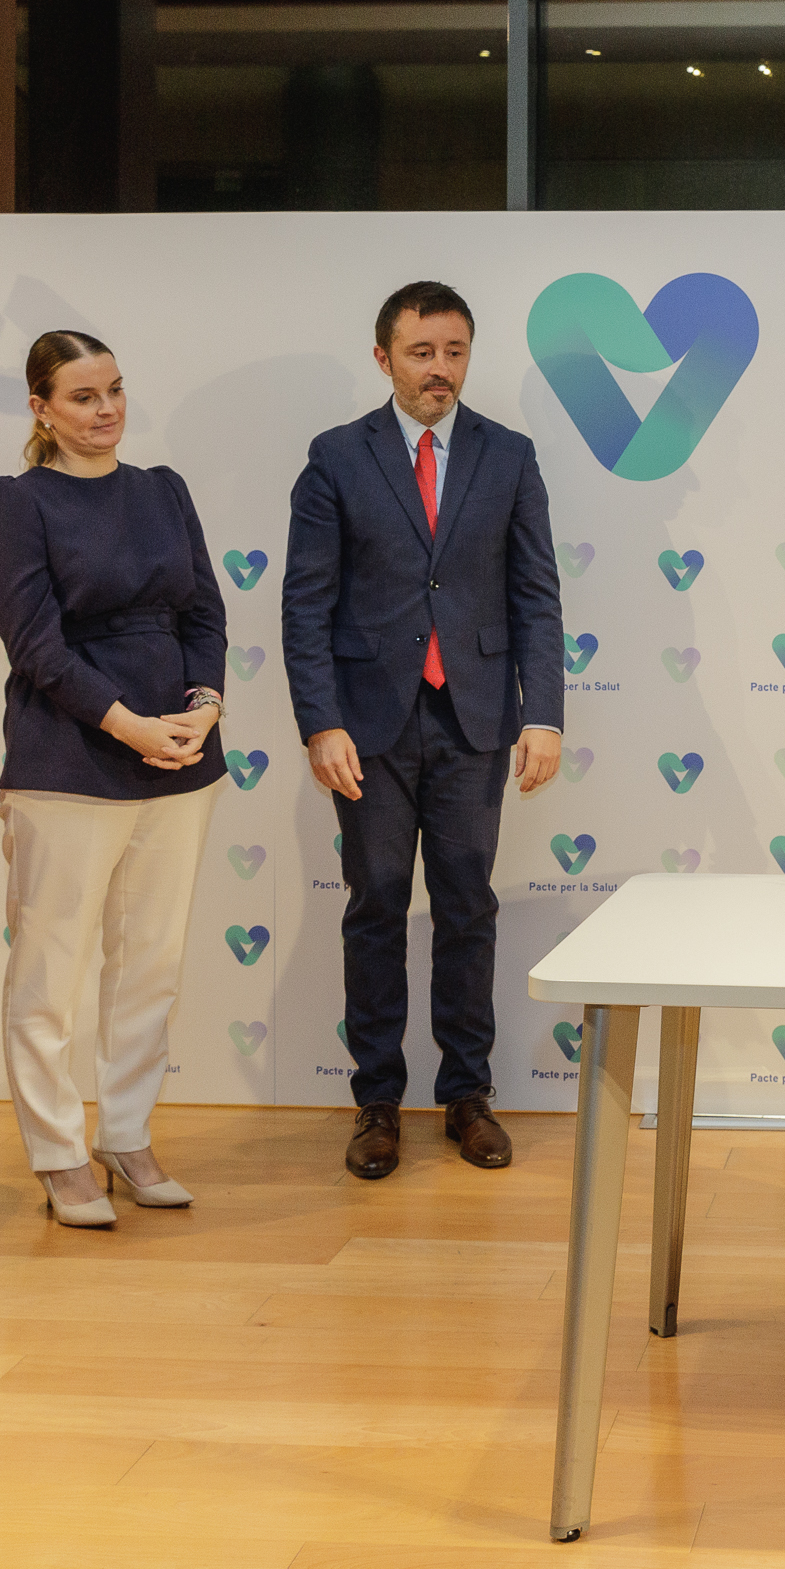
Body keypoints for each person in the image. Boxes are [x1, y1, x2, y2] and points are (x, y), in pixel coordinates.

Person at [283, 281, 563, 1181]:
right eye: (421, 352)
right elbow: (305, 603)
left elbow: (536, 595)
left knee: (467, 907)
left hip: (474, 717)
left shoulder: (509, 455)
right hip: (367, 724)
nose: (439, 369)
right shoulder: (336, 456)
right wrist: (320, 721)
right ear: (384, 358)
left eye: (454, 352)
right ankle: (376, 1101)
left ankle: (467, 1095)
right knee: (374, 907)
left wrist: (543, 712)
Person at [0, 331, 227, 1229]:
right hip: (68, 760)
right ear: (40, 408)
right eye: (83, 396)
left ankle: (126, 1133)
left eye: (114, 389)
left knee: (151, 963)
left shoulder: (164, 489)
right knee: (51, 970)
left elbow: (204, 610)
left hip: (181, 759)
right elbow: (35, 646)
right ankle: (58, 1151)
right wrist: (128, 724)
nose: (107, 409)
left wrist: (204, 704)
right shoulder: (13, 502)